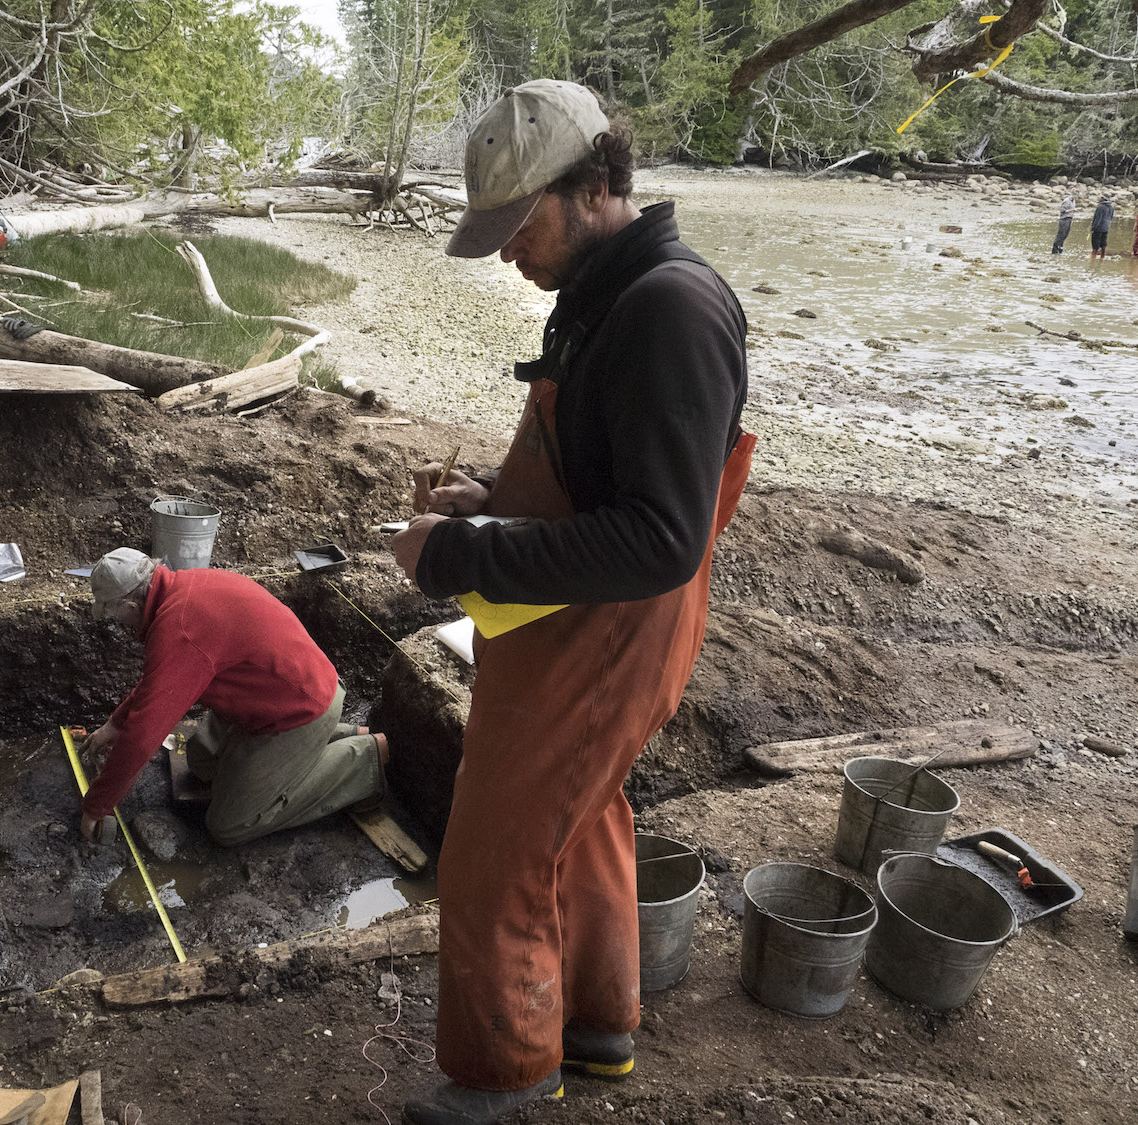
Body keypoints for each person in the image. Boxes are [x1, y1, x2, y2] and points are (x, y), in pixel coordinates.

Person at [388, 80, 753, 1125]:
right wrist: (492, 506)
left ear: (594, 185)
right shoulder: (606, 295)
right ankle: (596, 1029)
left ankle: (505, 1074)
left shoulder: (671, 309)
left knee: (498, 845)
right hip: (574, 613)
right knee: (579, 818)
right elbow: (598, 479)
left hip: (614, 625)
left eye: (520, 225)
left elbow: (660, 537)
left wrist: (466, 552)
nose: (509, 252)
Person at [77, 548, 387, 847]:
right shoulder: (184, 586)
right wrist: (114, 725)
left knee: (230, 824)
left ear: (131, 607)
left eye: (117, 616)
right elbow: (158, 684)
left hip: (299, 710)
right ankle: (336, 735)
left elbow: (144, 735)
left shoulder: (180, 628)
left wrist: (98, 805)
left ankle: (363, 759)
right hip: (284, 692)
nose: (121, 625)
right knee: (200, 762)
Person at [1092, 194, 1114, 259]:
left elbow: (1097, 219)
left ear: (1104, 199)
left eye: (1101, 197)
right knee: (1103, 244)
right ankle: (1102, 257)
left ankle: (1092, 260)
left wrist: (1093, 228)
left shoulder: (1100, 207)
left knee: (1095, 246)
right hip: (1106, 228)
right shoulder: (1111, 207)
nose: (1100, 198)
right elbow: (1111, 218)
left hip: (1098, 229)